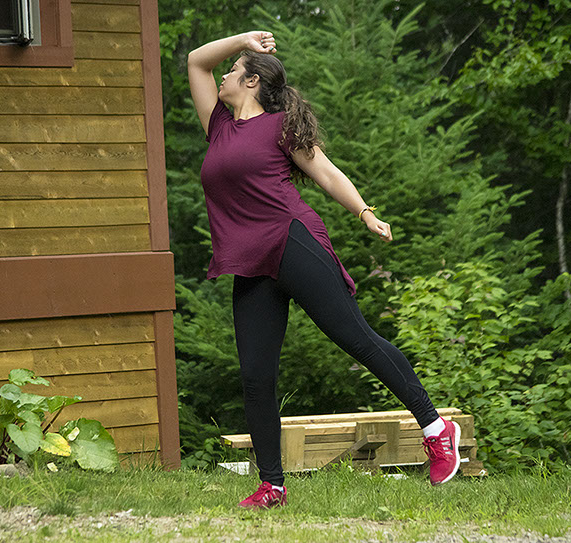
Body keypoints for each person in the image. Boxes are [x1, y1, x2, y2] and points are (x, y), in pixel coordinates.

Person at [187, 30, 461, 509]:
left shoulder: (279, 127)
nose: (225, 75)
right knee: (255, 375)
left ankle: (437, 429)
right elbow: (196, 61)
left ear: (251, 82)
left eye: (234, 70)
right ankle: (273, 485)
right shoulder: (219, 125)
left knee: (356, 338)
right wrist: (243, 41)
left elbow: (328, 174)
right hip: (250, 263)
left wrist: (366, 213)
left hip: (291, 241)